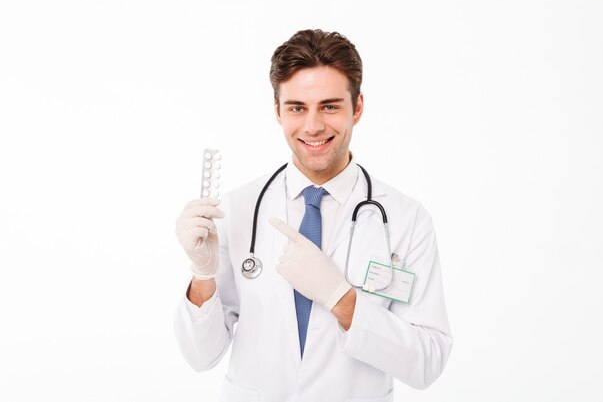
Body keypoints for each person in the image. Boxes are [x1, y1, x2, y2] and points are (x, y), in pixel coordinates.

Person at [174, 29, 452, 402]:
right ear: (277, 111)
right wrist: (202, 276)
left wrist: (341, 299)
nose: (313, 126)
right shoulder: (237, 209)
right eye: (297, 108)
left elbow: (427, 361)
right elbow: (200, 356)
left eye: (330, 106)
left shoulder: (406, 219)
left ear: (358, 107)